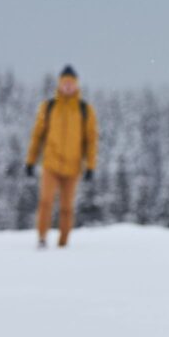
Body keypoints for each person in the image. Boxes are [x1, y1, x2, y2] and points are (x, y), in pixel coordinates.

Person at [25, 65, 98, 248]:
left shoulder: (84, 110)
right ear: (59, 85)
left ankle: (63, 243)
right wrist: (31, 161)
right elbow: (37, 136)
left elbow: (90, 140)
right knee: (46, 202)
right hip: (51, 163)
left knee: (67, 208)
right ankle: (42, 237)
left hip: (73, 166)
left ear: (76, 86)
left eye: (70, 83)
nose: (67, 87)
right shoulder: (49, 107)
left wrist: (90, 165)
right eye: (64, 83)